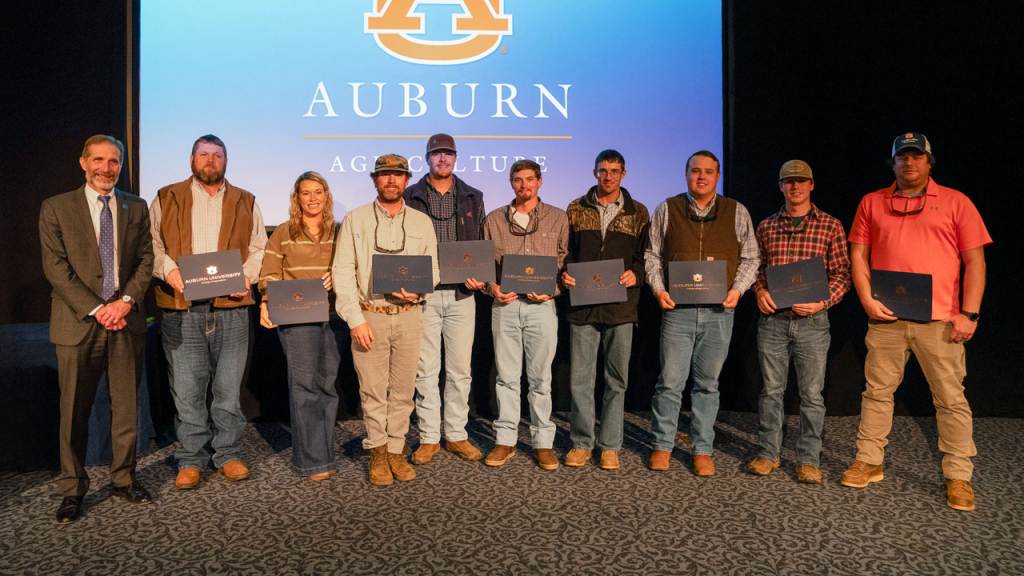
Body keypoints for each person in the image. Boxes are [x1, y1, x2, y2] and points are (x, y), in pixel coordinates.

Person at [842, 133, 991, 511]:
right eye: (902, 157)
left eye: (917, 157)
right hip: (887, 318)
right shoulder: (871, 202)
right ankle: (869, 460)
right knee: (876, 392)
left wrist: (969, 313)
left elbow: (975, 261)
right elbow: (858, 255)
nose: (909, 163)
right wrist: (866, 299)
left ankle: (958, 476)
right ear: (892, 163)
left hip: (941, 320)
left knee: (951, 399)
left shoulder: (956, 202)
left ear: (929, 162)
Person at [39, 135, 154, 523]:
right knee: (74, 411)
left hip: (125, 319)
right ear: (83, 162)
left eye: (114, 161)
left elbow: (145, 260)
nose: (107, 168)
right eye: (100, 160)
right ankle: (73, 490)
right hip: (78, 324)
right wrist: (97, 308)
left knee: (126, 409)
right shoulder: (56, 207)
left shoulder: (135, 206)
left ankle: (124, 479)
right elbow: (55, 267)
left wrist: (124, 303)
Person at [150, 134, 267, 489]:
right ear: (191, 160)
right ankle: (191, 459)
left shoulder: (246, 200)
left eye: (217, 155)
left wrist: (246, 277)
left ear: (226, 162)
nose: (210, 161)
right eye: (204, 154)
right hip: (181, 308)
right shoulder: (166, 197)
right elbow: (151, 242)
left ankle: (228, 454)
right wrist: (168, 269)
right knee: (186, 389)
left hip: (231, 308)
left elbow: (259, 246)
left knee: (229, 389)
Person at [644, 150, 759, 475]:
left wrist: (738, 289)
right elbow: (652, 255)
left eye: (709, 171)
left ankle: (702, 449)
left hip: (719, 312)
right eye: (696, 171)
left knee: (707, 384)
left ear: (717, 176)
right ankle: (662, 445)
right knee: (669, 382)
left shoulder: (737, 211)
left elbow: (751, 257)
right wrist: (659, 289)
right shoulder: (666, 209)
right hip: (677, 310)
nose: (702, 176)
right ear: (686, 174)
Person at [332, 154, 439, 486]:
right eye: (385, 175)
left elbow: (432, 269)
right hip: (370, 316)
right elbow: (343, 272)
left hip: (409, 316)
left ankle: (395, 449)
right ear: (374, 180)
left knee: (404, 391)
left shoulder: (422, 222)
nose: (391, 180)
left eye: (398, 175)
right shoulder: (356, 219)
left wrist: (419, 292)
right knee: (373, 391)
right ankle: (377, 450)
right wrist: (354, 320)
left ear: (407, 180)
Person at [748, 160, 851, 483]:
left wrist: (822, 301)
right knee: (771, 392)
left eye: (801, 181)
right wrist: (759, 290)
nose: (795, 187)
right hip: (774, 321)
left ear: (812, 185)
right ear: (780, 186)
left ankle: (808, 459)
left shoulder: (831, 226)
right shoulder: (765, 227)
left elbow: (842, 275)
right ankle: (768, 453)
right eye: (788, 181)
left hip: (813, 323)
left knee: (811, 395)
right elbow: (757, 270)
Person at [561, 150, 650, 470]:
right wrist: (565, 272)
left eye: (614, 171)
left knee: (617, 380)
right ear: (594, 172)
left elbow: (645, 258)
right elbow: (565, 251)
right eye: (603, 171)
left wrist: (635, 275)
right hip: (582, 307)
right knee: (580, 380)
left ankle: (610, 444)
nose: (608, 176)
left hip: (621, 307)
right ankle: (582, 443)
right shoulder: (575, 208)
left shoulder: (638, 212)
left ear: (623, 174)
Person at [403, 134, 487, 464]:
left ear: (455, 158)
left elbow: (479, 241)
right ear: (427, 158)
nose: (442, 159)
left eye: (448, 154)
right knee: (425, 370)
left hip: (461, 293)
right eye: (436, 154)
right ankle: (428, 437)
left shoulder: (472, 196)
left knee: (460, 370)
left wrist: (479, 273)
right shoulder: (411, 196)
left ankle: (456, 434)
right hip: (423, 294)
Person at [481, 159, 569, 470]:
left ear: (540, 182)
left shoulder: (558, 218)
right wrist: (492, 287)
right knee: (506, 378)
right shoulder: (493, 219)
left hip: (542, 307)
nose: (524, 185)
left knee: (541, 378)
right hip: (505, 306)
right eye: (518, 180)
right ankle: (505, 440)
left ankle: (543, 442)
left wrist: (554, 290)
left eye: (530, 179)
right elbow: (485, 266)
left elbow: (565, 265)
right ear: (511, 183)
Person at [258, 171, 341, 481]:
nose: (313, 198)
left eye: (318, 191)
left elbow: (355, 266)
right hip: (297, 320)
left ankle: (324, 453)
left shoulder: (340, 231)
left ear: (326, 195)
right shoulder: (283, 232)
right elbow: (268, 275)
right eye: (306, 193)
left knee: (327, 388)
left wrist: (339, 273)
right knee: (305, 389)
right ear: (297, 197)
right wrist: (266, 301)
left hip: (334, 318)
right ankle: (312, 461)